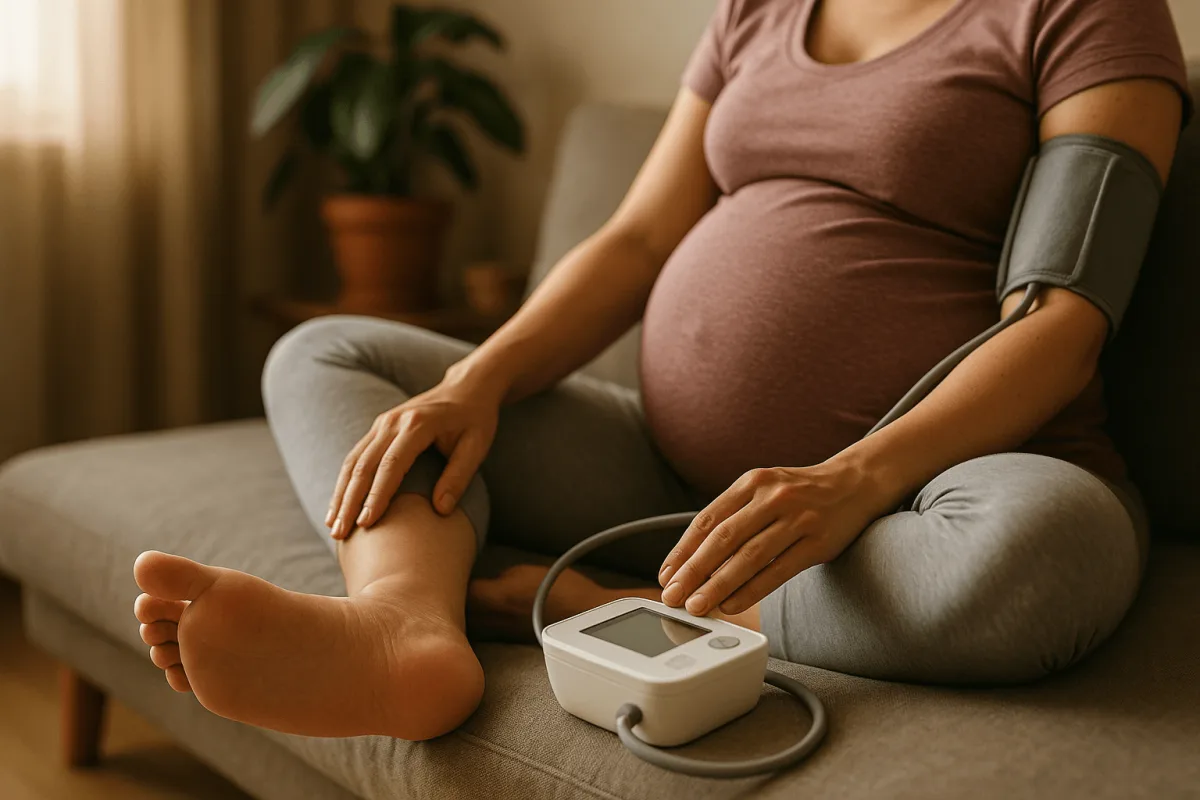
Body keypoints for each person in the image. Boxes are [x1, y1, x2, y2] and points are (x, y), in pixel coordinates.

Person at [132, 0, 1191, 741]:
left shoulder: (1083, 9)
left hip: (936, 486)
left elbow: (1062, 314)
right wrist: (478, 382)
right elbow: (638, 239)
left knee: (1050, 552)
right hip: (667, 469)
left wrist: (854, 479)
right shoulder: (757, 8)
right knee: (329, 350)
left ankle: (618, 598)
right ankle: (405, 629)